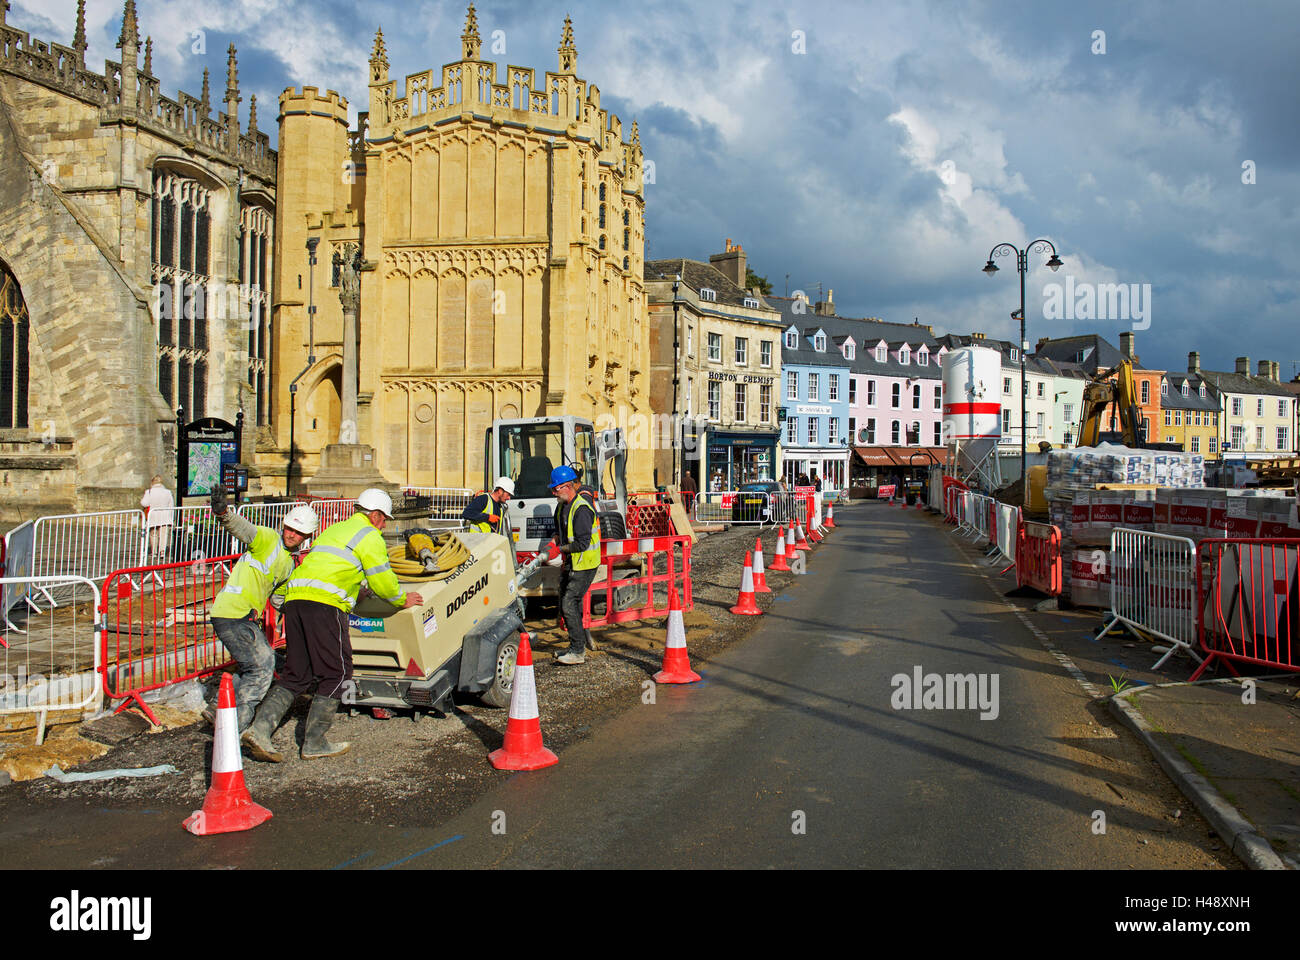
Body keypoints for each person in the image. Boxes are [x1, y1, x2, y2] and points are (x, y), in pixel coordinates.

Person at [242, 488, 423, 762]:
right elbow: (383, 580)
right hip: (324, 606)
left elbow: (334, 567)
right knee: (337, 673)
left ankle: (259, 730)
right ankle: (314, 742)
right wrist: (401, 599)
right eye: (384, 518)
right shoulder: (370, 535)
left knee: (297, 674)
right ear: (374, 516)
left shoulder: (334, 530)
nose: (385, 524)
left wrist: (356, 590)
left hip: (296, 601)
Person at [206, 487, 318, 732]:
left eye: (299, 532)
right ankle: (234, 727)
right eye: (290, 528)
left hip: (244, 617)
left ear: (307, 536)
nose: (292, 535)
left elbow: (279, 601)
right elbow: (244, 529)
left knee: (262, 660)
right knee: (261, 668)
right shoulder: (267, 539)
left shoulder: (289, 565)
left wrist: (307, 618)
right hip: (233, 613)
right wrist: (224, 513)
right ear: (283, 525)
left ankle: (217, 707)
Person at [543, 465, 601, 666]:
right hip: (572, 562)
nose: (553, 492)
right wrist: (554, 542)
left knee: (569, 602)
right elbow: (560, 533)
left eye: (555, 489)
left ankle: (577, 652)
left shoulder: (582, 509)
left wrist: (560, 550)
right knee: (566, 604)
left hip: (585, 564)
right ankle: (574, 646)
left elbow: (582, 544)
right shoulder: (561, 507)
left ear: (567, 486)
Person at [141, 476, 175, 564]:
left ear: (152, 482)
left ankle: (154, 552)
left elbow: (144, 503)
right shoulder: (167, 492)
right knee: (163, 534)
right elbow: (171, 505)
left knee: (153, 534)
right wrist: (171, 517)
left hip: (153, 515)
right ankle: (162, 551)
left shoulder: (149, 491)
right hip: (165, 515)